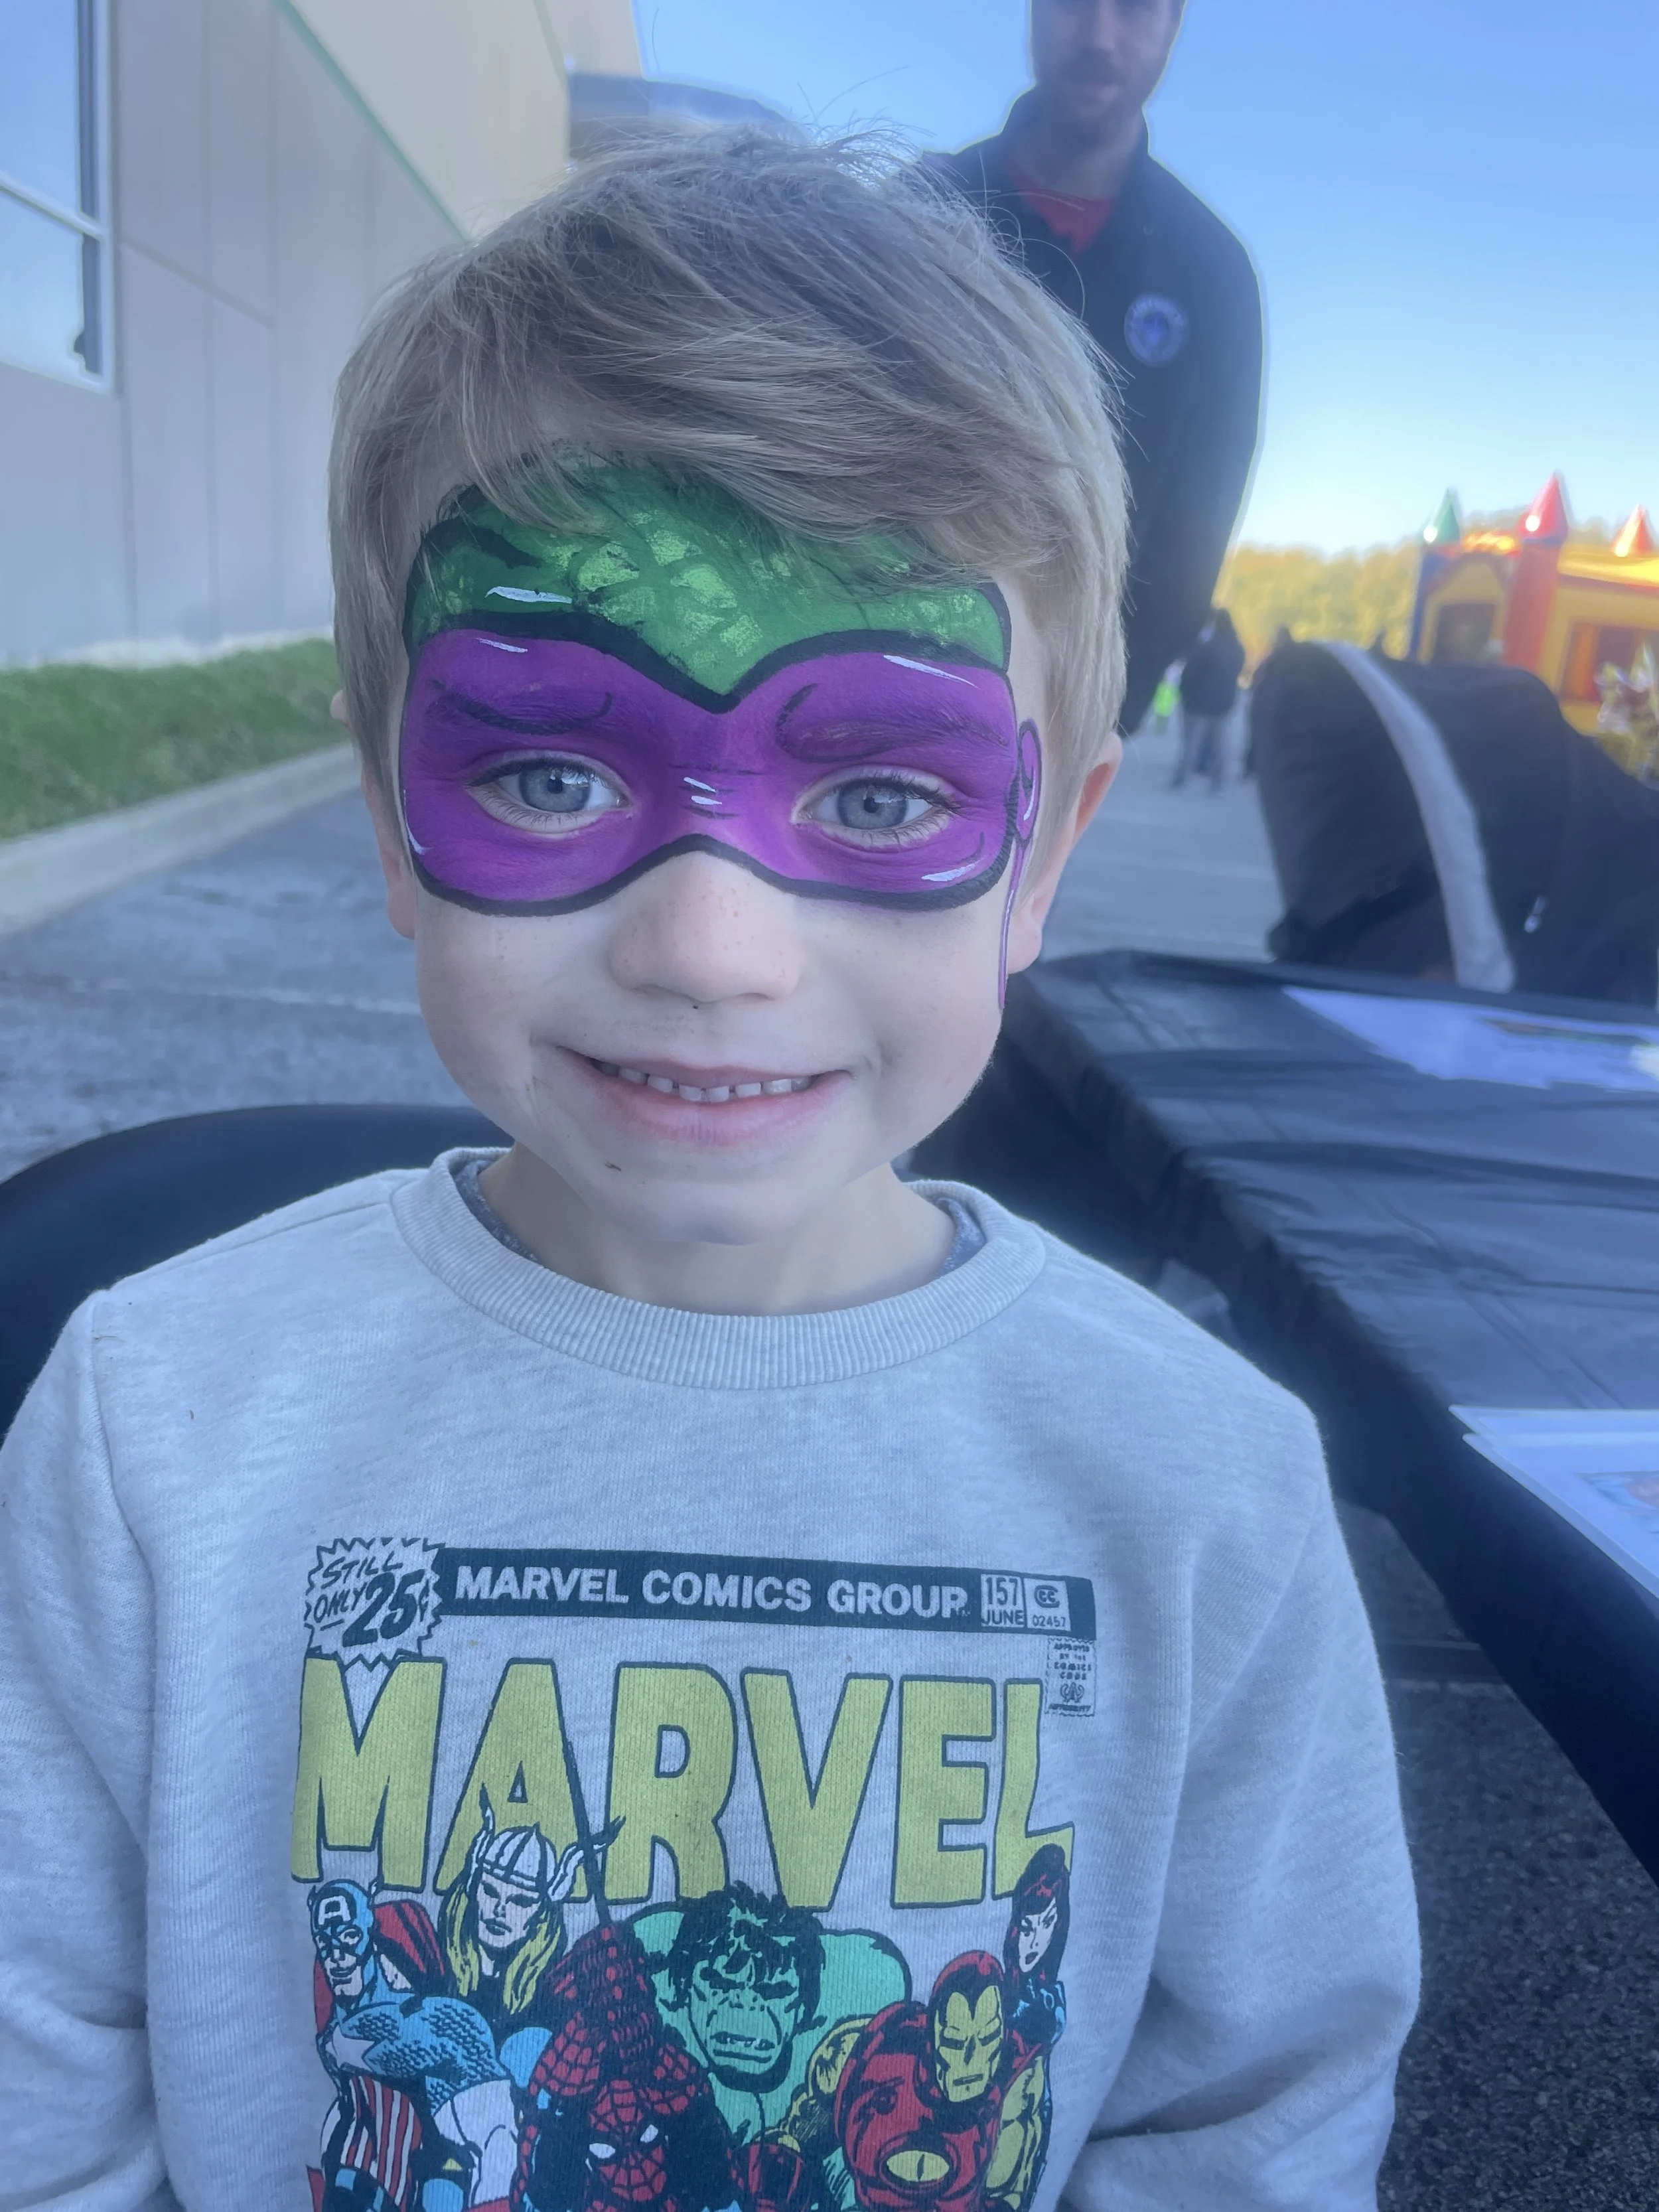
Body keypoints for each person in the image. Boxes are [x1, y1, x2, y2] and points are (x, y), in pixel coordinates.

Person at [0, 130, 1415, 2209]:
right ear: (391, 817)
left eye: (872, 786)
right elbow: (41, 2071)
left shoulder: (1197, 1483)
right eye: (550, 769)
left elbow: (1254, 2106)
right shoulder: (154, 1426)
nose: (704, 944)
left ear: (1046, 853)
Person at [932, 0, 1263, 734]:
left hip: (1069, 716)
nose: (1099, 37)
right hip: (884, 668)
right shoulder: (920, 212)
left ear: (1172, 24)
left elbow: (1196, 526)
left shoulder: (1212, 273)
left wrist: (1102, 715)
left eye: (1135, 9)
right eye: (1075, 4)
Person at [1172, 607, 1244, 788]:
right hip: (1223, 703)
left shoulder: (1206, 647)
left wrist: (1184, 694)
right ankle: (1218, 783)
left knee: (1191, 744)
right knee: (1220, 745)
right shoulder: (1237, 649)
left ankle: (1181, 779)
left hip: (1198, 703)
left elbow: (1190, 674)